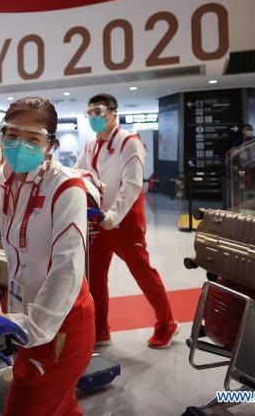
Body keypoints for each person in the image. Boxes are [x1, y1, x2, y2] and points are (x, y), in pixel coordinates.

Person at [0, 97, 94, 416]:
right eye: (12, 134)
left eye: (33, 137)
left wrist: (29, 325)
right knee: (62, 408)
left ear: (49, 144)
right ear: (1, 135)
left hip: (60, 326)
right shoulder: (1, 179)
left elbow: (67, 269)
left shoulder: (66, 189)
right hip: (27, 317)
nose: (19, 144)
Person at [78, 93, 177, 349]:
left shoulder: (128, 142)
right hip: (97, 222)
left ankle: (167, 323)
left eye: (98, 112)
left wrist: (114, 215)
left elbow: (132, 184)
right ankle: (100, 330)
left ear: (113, 112)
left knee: (142, 273)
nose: (93, 118)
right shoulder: (90, 144)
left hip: (124, 223)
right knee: (95, 277)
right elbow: (81, 173)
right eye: (89, 113)